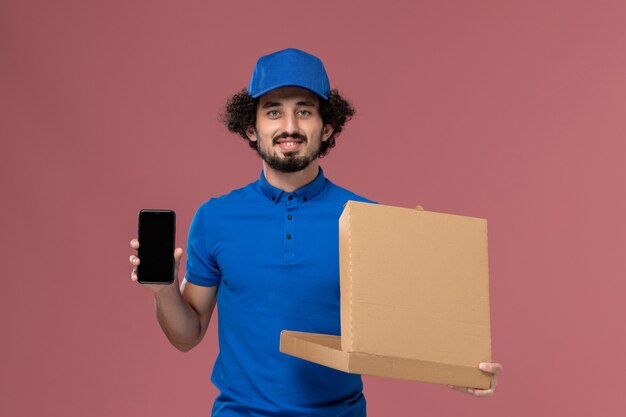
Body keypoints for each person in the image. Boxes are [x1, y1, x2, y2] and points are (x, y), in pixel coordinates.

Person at [129, 48, 502, 416]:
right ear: (251, 127)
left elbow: (411, 323)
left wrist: (462, 367)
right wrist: (164, 292)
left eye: (303, 112)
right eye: (273, 112)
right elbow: (187, 334)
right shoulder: (214, 218)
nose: (289, 127)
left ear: (327, 128)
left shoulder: (366, 219)